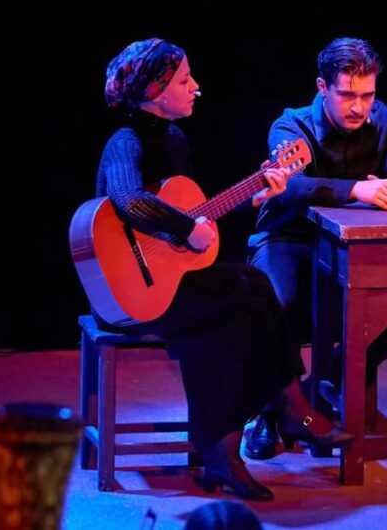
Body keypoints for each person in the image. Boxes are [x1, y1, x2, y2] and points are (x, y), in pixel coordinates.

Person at [94, 38, 351, 501]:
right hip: (126, 292)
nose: (196, 86)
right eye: (183, 80)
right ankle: (290, 411)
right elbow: (130, 201)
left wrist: (256, 194)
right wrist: (185, 228)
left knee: (240, 302)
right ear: (154, 92)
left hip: (167, 284)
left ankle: (228, 450)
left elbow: (197, 215)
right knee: (248, 292)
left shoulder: (174, 140)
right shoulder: (126, 141)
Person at [244, 37, 387, 457]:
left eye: (367, 95)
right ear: (322, 87)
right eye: (347, 95)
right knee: (278, 302)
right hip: (289, 238)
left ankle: (309, 391)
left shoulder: (386, 120)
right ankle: (272, 411)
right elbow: (290, 188)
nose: (359, 107)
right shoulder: (290, 125)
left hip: (354, 247)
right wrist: (357, 190)